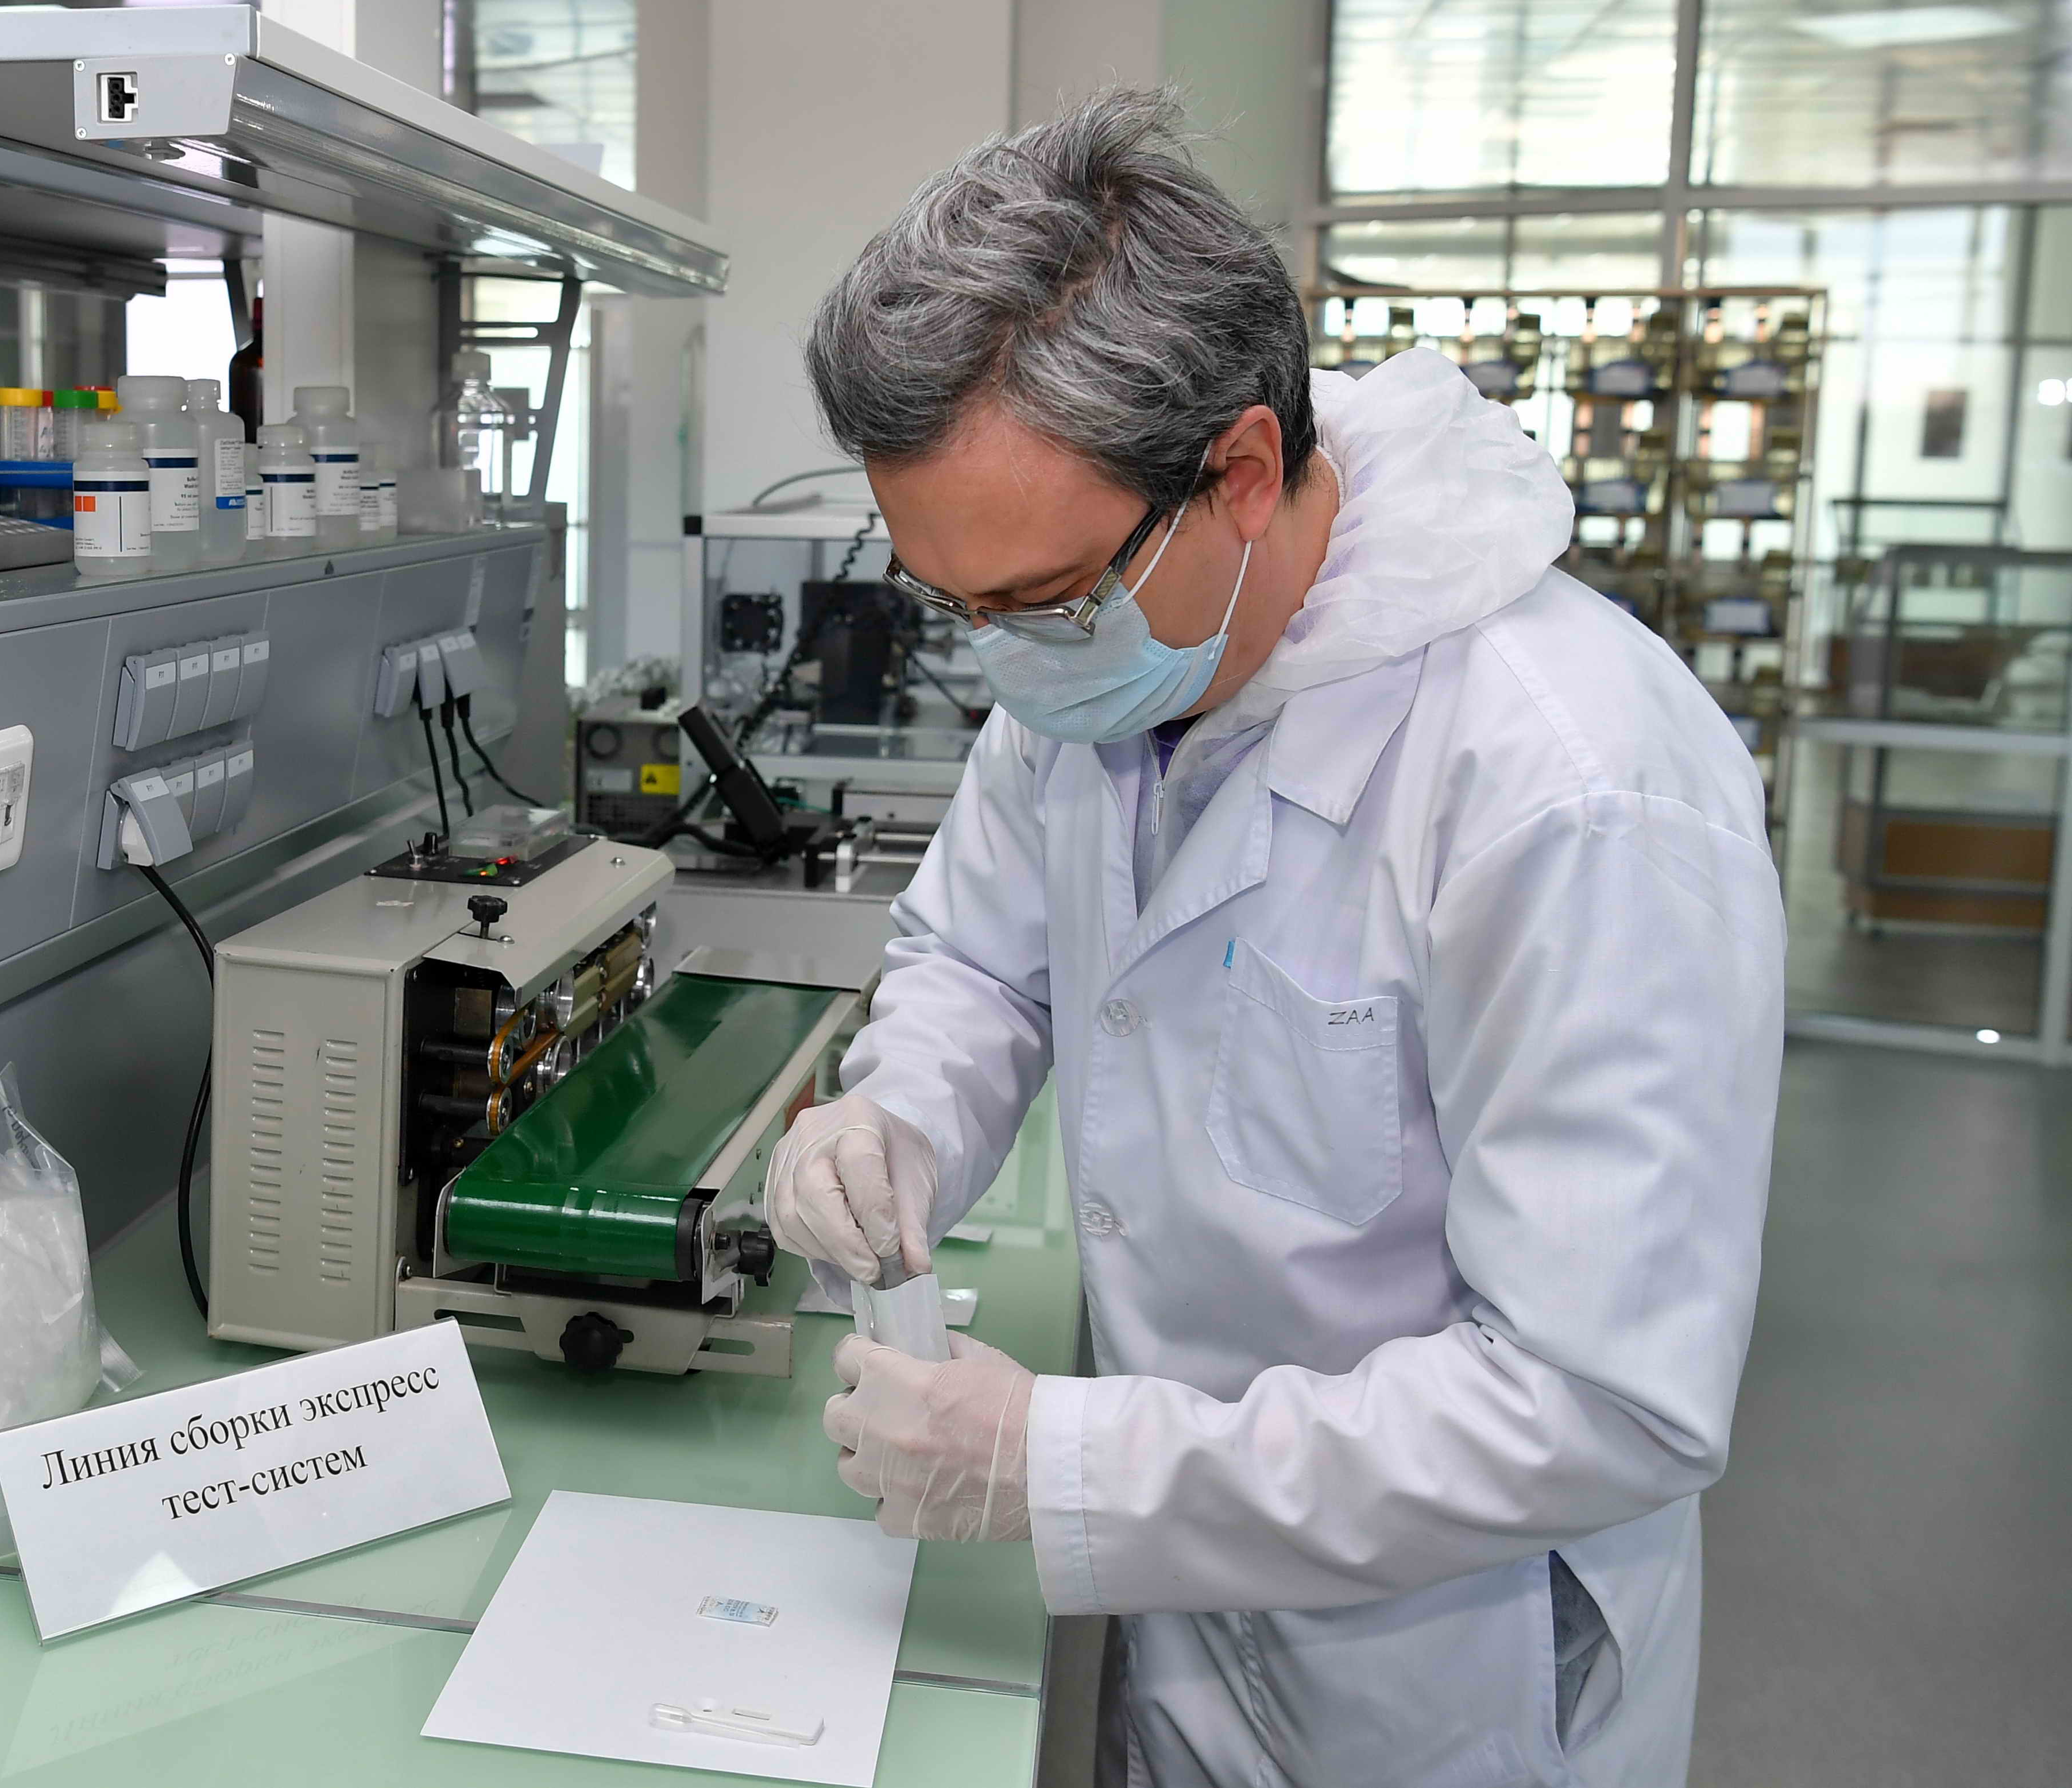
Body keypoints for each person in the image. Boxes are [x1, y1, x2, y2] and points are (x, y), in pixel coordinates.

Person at [763, 90, 1783, 1788]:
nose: (1005, 657)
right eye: (958, 606)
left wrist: (1065, 1465)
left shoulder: (1570, 780)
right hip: (1192, 1620)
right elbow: (981, 960)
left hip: (1443, 1682)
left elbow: (1604, 1397)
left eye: (1038, 601)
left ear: (1239, 472)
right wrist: (899, 1117)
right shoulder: (1102, 660)